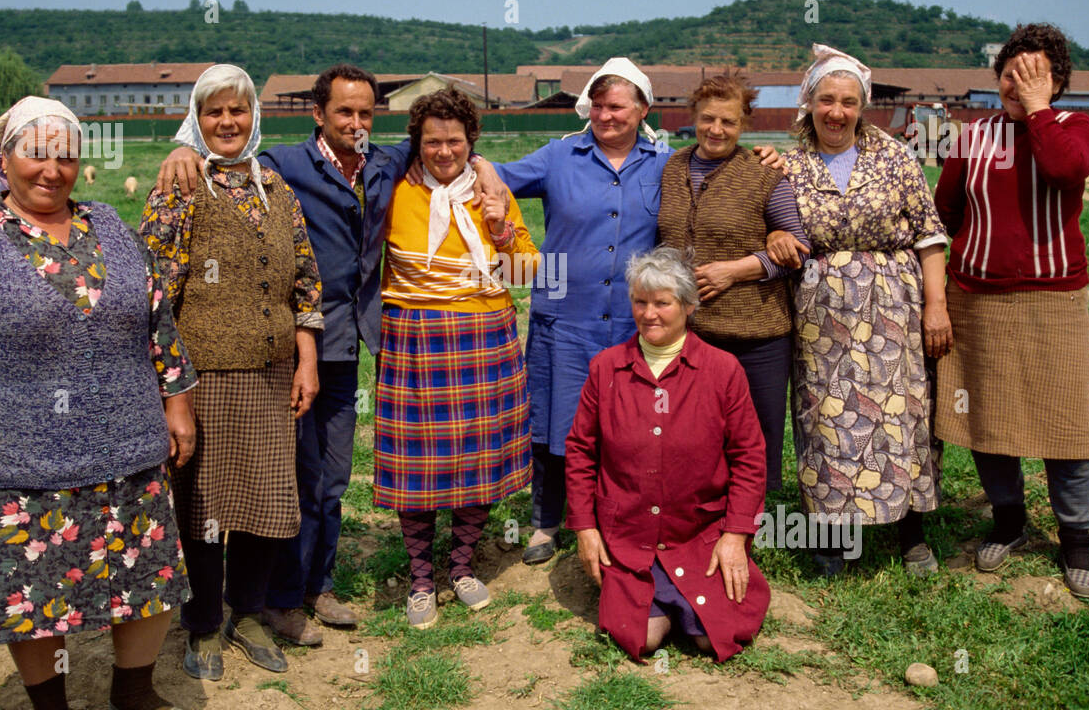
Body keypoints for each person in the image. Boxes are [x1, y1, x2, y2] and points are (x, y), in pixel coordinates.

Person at [156, 65, 503, 642]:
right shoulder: (285, 165)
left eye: (366, 113)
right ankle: (279, 599)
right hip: (293, 344)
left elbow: (449, 149)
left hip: (351, 340)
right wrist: (181, 148)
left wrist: (486, 165)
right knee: (292, 476)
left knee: (334, 478)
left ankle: (319, 586)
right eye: (344, 112)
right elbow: (227, 144)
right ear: (319, 113)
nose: (356, 123)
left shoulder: (387, 163)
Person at [0, 96, 197, 710]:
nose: (51, 170)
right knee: (34, 591)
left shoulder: (111, 229)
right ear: (5, 157)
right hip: (12, 463)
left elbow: (158, 321)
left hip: (126, 450)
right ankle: (50, 704)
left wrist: (176, 403)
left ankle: (134, 692)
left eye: (66, 156)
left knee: (143, 579)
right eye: (36, 154)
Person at [483, 58, 782, 565]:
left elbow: (721, 162)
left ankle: (613, 515)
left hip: (636, 319)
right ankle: (545, 520)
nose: (606, 116)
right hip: (567, 313)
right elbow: (495, 178)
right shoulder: (558, 157)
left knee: (628, 427)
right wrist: (483, 173)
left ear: (642, 110)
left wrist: (766, 163)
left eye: (617, 106)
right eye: (597, 106)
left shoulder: (666, 163)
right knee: (556, 421)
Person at [139, 64, 323, 678]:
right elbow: (153, 295)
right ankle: (202, 626)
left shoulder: (276, 188)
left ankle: (248, 614)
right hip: (205, 379)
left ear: (254, 118)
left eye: (237, 111)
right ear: (197, 117)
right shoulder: (180, 187)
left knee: (266, 504)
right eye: (214, 111)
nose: (227, 122)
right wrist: (171, 389)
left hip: (273, 377)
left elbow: (305, 282)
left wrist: (307, 360)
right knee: (205, 510)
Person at [933, 23, 1089, 598]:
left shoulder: (1073, 129)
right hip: (977, 302)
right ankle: (1009, 521)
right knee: (988, 419)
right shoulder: (972, 136)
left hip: (1052, 302)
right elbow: (945, 212)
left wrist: (1036, 111)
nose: (1018, 82)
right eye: (1011, 72)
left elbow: (1063, 170)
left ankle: (1076, 537)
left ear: (1057, 83)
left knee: (1066, 423)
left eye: (1034, 74)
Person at [777, 44, 951, 576]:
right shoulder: (786, 163)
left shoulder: (894, 157)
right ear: (808, 102)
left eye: (848, 102)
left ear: (863, 105)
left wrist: (937, 306)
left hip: (894, 307)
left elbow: (929, 232)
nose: (837, 112)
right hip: (820, 312)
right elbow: (772, 224)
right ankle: (832, 538)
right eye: (826, 100)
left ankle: (911, 532)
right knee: (827, 418)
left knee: (902, 414)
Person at [374, 88, 536, 628]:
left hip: (485, 332)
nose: (445, 152)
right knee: (418, 461)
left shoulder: (493, 193)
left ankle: (461, 565)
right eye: (433, 142)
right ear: (417, 143)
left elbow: (527, 274)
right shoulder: (393, 190)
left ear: (472, 143)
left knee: (479, 454)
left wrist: (500, 226)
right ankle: (421, 578)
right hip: (415, 334)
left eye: (456, 142)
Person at [564, 247, 770, 661]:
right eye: (640, 302)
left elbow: (749, 457)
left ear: (689, 306)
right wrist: (586, 529)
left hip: (699, 535)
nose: (649, 313)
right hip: (629, 537)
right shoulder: (606, 368)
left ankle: (689, 597)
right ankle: (653, 597)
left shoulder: (723, 370)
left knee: (715, 638)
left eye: (662, 303)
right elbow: (580, 452)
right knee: (643, 637)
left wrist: (735, 536)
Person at [657, 72, 810, 492]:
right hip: (691, 335)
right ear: (693, 118)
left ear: (743, 123)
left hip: (756, 336)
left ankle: (750, 532)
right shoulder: (672, 167)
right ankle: (702, 524)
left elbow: (798, 248)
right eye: (708, 119)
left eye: (728, 121)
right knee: (695, 438)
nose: (717, 130)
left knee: (753, 439)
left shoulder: (763, 174)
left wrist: (735, 269)